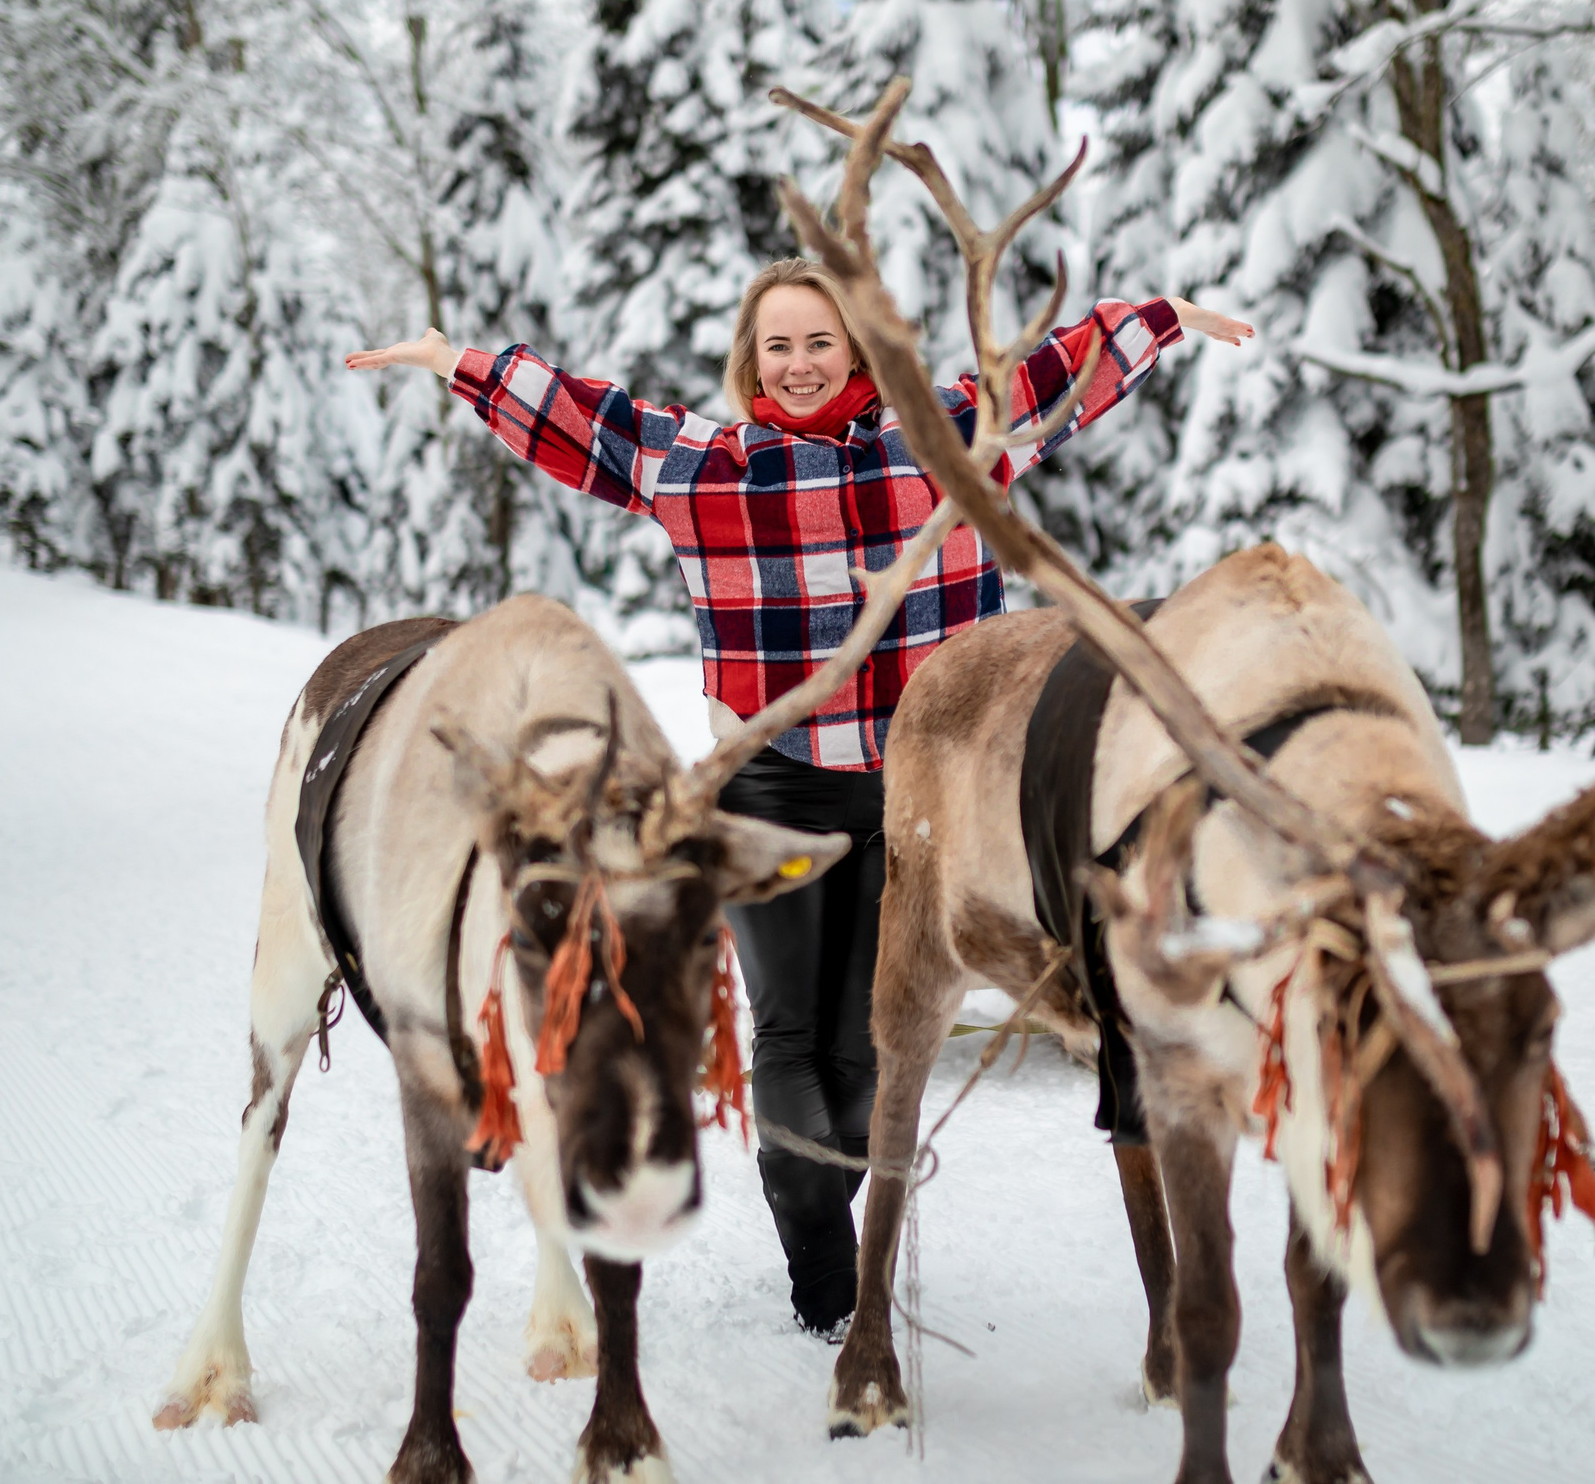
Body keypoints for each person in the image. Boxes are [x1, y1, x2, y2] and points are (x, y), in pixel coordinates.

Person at [347, 260, 1249, 1336]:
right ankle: (820, 1261)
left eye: (819, 342)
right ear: (751, 361)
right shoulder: (705, 467)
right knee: (787, 1039)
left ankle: (825, 1206)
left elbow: (1059, 375)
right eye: (777, 346)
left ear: (857, 349)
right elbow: (585, 421)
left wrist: (1161, 319)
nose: (800, 363)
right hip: (769, 786)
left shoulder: (946, 439)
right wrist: (458, 361)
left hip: (922, 793)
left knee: (871, 1043)